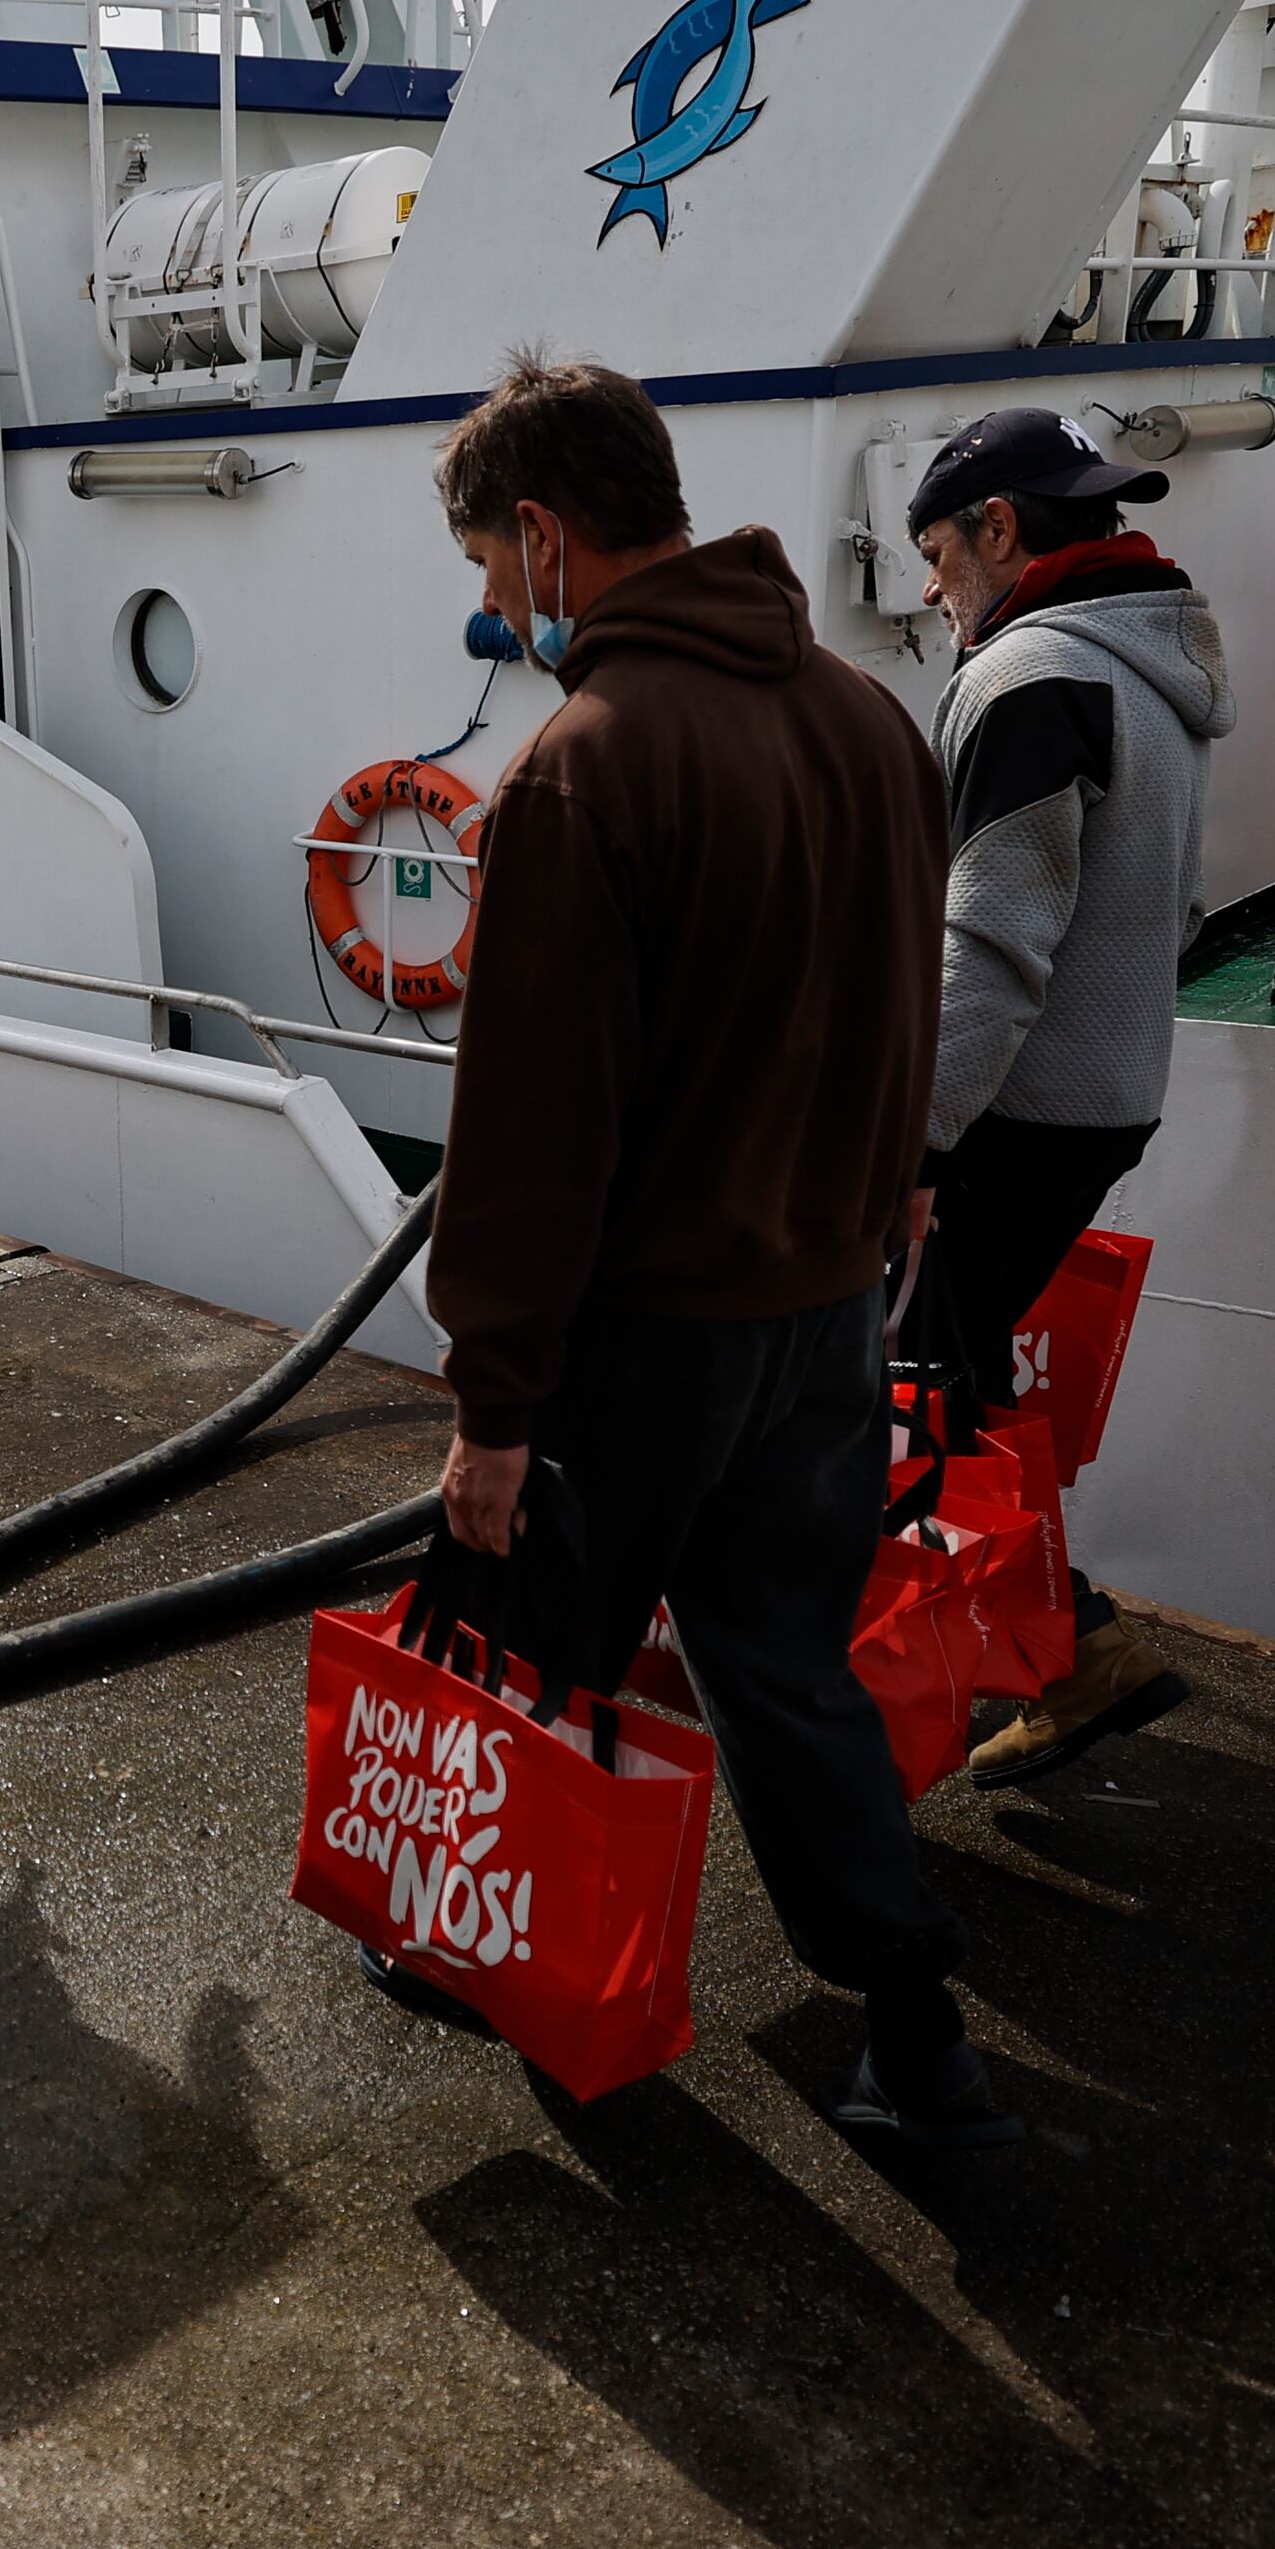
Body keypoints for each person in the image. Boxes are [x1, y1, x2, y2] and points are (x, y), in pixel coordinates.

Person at [415, 352, 1014, 2151]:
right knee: (782, 1669)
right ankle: (917, 2031)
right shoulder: (868, 720)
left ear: (545, 532)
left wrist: (494, 1409)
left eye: (490, 567)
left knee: (547, 1655)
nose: (496, 604)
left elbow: (531, 1137)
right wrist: (894, 1195)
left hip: (645, 1344)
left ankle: (522, 1962)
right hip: (825, 1316)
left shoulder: (584, 768)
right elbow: (914, 995)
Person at [900, 407, 1232, 1782]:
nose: (930, 589)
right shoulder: (1152, 662)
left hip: (1009, 1111)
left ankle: (1062, 1652)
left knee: (916, 1384)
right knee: (952, 1377)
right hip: (1102, 1092)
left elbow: (992, 941)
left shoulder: (1032, 676)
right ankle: (1054, 1650)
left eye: (936, 552)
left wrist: (907, 1143)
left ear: (999, 529)